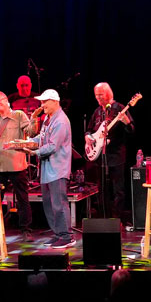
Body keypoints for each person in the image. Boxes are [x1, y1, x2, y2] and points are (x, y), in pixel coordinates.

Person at [0, 91, 40, 241]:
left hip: (17, 165)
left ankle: (26, 230)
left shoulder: (18, 115)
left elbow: (31, 132)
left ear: (6, 100)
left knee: (23, 199)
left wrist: (34, 118)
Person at [25, 89, 75, 248]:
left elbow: (53, 145)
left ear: (55, 102)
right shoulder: (48, 118)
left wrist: (35, 151)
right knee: (48, 203)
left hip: (57, 169)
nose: (42, 104)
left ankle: (67, 236)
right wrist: (28, 142)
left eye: (45, 101)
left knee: (58, 203)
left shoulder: (61, 121)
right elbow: (42, 136)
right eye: (42, 101)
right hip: (47, 170)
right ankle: (58, 233)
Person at [84, 82, 135, 224]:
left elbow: (132, 130)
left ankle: (117, 218)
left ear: (108, 94)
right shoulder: (97, 112)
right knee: (102, 189)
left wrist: (125, 122)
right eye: (96, 95)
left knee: (118, 190)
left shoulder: (119, 109)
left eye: (100, 95)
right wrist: (87, 136)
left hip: (116, 155)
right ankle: (104, 218)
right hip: (100, 156)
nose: (98, 98)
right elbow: (89, 130)